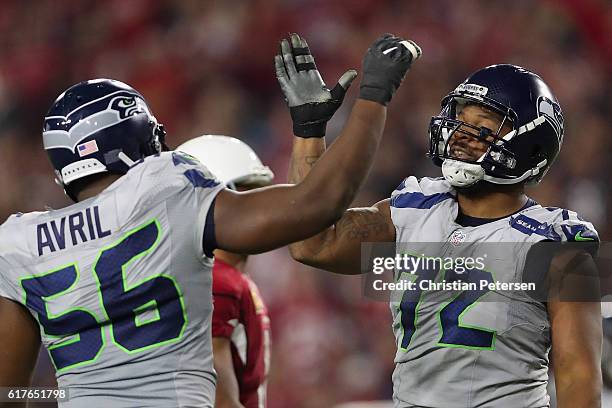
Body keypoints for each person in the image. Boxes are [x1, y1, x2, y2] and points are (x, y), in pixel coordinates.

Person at [0, 33, 421, 407]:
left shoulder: (17, 241)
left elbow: (9, 393)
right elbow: (318, 205)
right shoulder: (164, 186)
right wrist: (373, 97)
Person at [281, 52, 603, 407]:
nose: (461, 135)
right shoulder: (415, 208)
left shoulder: (557, 245)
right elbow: (311, 243)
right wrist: (309, 133)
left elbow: (578, 376)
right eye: (460, 120)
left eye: (483, 125)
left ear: (531, 143)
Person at [177, 135, 273, 408]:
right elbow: (219, 402)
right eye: (248, 194)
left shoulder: (226, 277)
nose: (264, 206)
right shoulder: (216, 281)